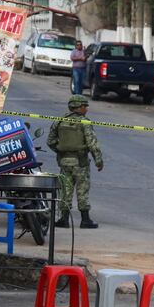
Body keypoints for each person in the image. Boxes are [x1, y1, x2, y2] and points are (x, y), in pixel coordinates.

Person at [48, 94, 104, 229]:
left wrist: (61, 151)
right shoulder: (85, 122)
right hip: (80, 162)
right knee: (82, 189)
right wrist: (98, 160)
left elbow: (50, 141)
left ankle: (64, 219)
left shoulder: (59, 121)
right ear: (79, 107)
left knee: (65, 189)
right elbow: (92, 143)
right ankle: (85, 220)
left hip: (64, 162)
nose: (87, 109)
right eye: (85, 106)